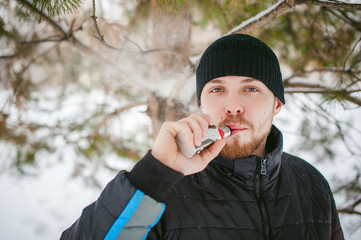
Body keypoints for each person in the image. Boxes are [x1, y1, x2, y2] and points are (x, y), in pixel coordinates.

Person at [60, 34, 344, 240]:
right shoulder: (160, 193)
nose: (233, 106)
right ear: (201, 104)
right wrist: (154, 172)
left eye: (251, 89)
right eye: (217, 90)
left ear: (277, 104)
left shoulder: (312, 184)